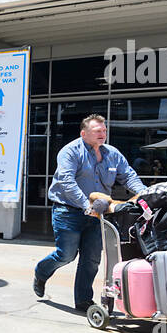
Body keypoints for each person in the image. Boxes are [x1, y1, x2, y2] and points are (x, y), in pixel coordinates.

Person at [34, 114, 147, 311]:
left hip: (99, 215)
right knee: (66, 255)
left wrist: (145, 194)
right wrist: (86, 204)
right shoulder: (70, 152)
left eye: (104, 131)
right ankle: (41, 272)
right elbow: (66, 182)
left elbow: (128, 175)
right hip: (69, 212)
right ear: (84, 133)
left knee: (92, 258)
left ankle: (83, 301)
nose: (102, 134)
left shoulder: (112, 153)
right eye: (98, 131)